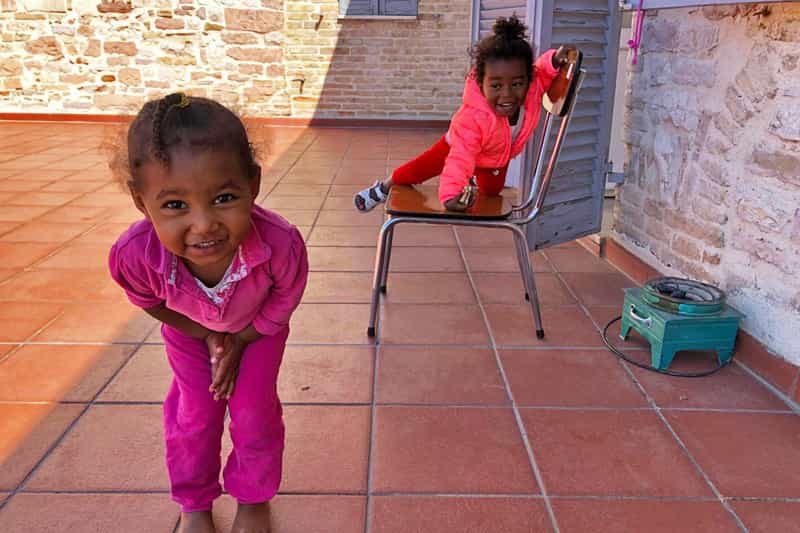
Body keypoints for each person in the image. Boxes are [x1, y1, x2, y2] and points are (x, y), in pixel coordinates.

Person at [108, 92, 308, 533]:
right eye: (175, 205)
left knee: (255, 413)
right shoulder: (135, 255)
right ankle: (194, 499)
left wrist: (239, 339)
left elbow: (284, 298)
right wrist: (204, 332)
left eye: (223, 198)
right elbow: (148, 299)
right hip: (188, 336)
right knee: (194, 415)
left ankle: (253, 497)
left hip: (258, 333)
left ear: (253, 185)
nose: (204, 225)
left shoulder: (280, 244)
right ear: (141, 202)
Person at [354, 16, 575, 212]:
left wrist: (554, 61)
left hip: (495, 156)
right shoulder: (474, 118)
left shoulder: (532, 88)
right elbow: (461, 158)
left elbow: (542, 73)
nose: (507, 95)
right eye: (496, 86)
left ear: (528, 79)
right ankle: (382, 188)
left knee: (491, 192)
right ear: (481, 83)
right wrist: (450, 194)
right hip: (457, 147)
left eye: (517, 83)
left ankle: (470, 178)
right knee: (414, 172)